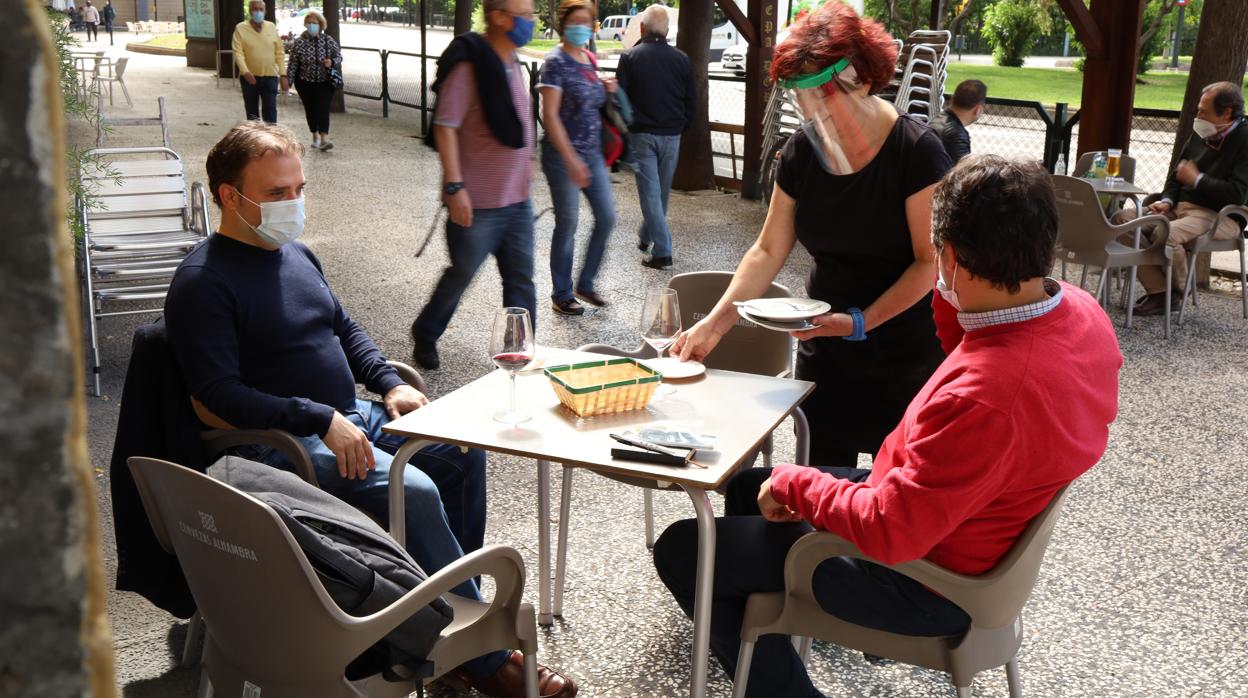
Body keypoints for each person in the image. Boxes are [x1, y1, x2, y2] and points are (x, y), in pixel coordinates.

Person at [654, 154, 1123, 697]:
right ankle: (773, 627)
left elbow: (889, 530)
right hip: (973, 523)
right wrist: (956, 299)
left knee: (686, 545)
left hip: (926, 580)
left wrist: (795, 484)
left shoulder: (989, 396)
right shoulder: (1079, 313)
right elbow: (969, 357)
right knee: (743, 487)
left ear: (948, 255)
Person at [165, 122, 577, 698]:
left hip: (348, 417)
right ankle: (483, 658)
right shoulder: (203, 282)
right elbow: (217, 395)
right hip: (279, 445)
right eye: (278, 193)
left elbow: (343, 328)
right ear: (230, 196)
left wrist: (388, 384)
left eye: (299, 189)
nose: (294, 203)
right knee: (415, 493)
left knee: (460, 453)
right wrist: (319, 419)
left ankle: (440, 622)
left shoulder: (295, 254)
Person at [673, 3, 951, 467]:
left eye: (822, 95)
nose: (811, 111)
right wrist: (714, 324)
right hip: (826, 350)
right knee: (819, 489)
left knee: (894, 497)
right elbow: (766, 249)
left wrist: (861, 321)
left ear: (862, 78)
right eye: (802, 97)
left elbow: (930, 261)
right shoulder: (801, 152)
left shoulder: (917, 153)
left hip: (905, 355)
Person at [409, 0, 538, 371]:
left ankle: (520, 351)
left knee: (520, 280)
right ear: (499, 16)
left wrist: (528, 164)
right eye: (526, 15)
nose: (532, 22)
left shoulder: (513, 62)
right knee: (462, 274)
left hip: (517, 201)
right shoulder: (471, 66)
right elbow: (446, 126)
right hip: (477, 202)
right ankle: (426, 331)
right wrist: (454, 187)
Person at [1113, 81, 1248, 316]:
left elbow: (1238, 193)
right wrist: (1166, 201)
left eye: (1203, 112)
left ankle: (1179, 291)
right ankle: (1160, 292)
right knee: (1122, 220)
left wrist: (1197, 179)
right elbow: (1176, 176)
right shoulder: (1203, 131)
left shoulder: (1245, 140)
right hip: (1179, 208)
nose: (1198, 116)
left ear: (1226, 112)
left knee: (1166, 233)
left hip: (1220, 215)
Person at [538, 0, 618, 316]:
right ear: (564, 24)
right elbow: (551, 115)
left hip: (592, 154)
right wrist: (570, 159)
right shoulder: (554, 62)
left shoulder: (588, 58)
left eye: (587, 21)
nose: (582, 26)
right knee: (568, 222)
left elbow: (590, 102)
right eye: (576, 21)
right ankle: (561, 293)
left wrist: (606, 89)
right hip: (562, 157)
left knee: (607, 217)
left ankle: (586, 282)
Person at [617, 3, 696, 269]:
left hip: (642, 135)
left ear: (642, 27)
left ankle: (662, 251)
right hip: (673, 134)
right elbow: (691, 102)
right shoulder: (682, 59)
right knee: (660, 193)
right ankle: (645, 235)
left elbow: (621, 98)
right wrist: (682, 125)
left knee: (651, 195)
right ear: (667, 30)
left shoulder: (630, 58)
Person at [286, 10, 342, 151]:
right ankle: (315, 135)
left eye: (315, 23)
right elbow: (293, 63)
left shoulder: (328, 40)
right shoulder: (299, 42)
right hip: (305, 83)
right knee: (311, 109)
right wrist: (289, 81)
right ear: (306, 24)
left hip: (324, 82)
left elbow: (339, 56)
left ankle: (324, 139)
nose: (312, 25)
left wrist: (332, 61)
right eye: (309, 23)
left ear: (321, 25)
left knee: (323, 108)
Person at [232, 0, 288, 124]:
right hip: (249, 78)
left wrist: (283, 74)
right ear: (250, 11)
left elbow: (279, 52)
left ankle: (272, 140)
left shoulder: (271, 27)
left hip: (270, 77)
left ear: (265, 11)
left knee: (270, 111)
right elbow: (238, 52)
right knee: (252, 114)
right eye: (255, 9)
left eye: (261, 9)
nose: (258, 12)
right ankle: (255, 141)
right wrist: (245, 71)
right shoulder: (241, 28)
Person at [928, 79, 986, 163]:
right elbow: (962, 173)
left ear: (952, 99)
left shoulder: (936, 120)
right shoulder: (956, 135)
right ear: (978, 110)